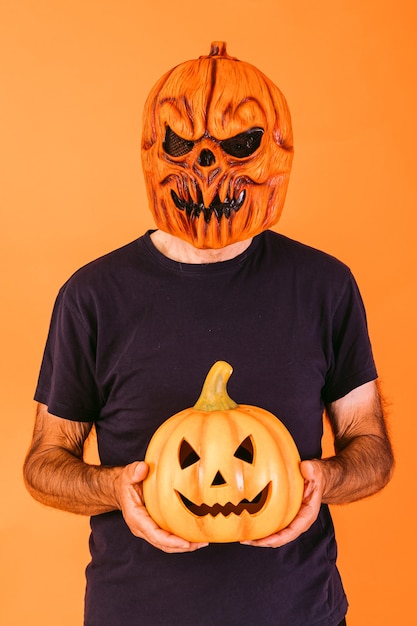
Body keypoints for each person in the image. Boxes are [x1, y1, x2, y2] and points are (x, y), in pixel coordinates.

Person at [24, 42, 394, 626]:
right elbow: (45, 464)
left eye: (238, 145)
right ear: (153, 152)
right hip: (135, 613)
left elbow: (370, 447)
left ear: (274, 150)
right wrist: (118, 488)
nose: (206, 166)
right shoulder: (92, 296)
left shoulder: (325, 286)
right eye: (181, 145)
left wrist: (324, 479)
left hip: (298, 612)